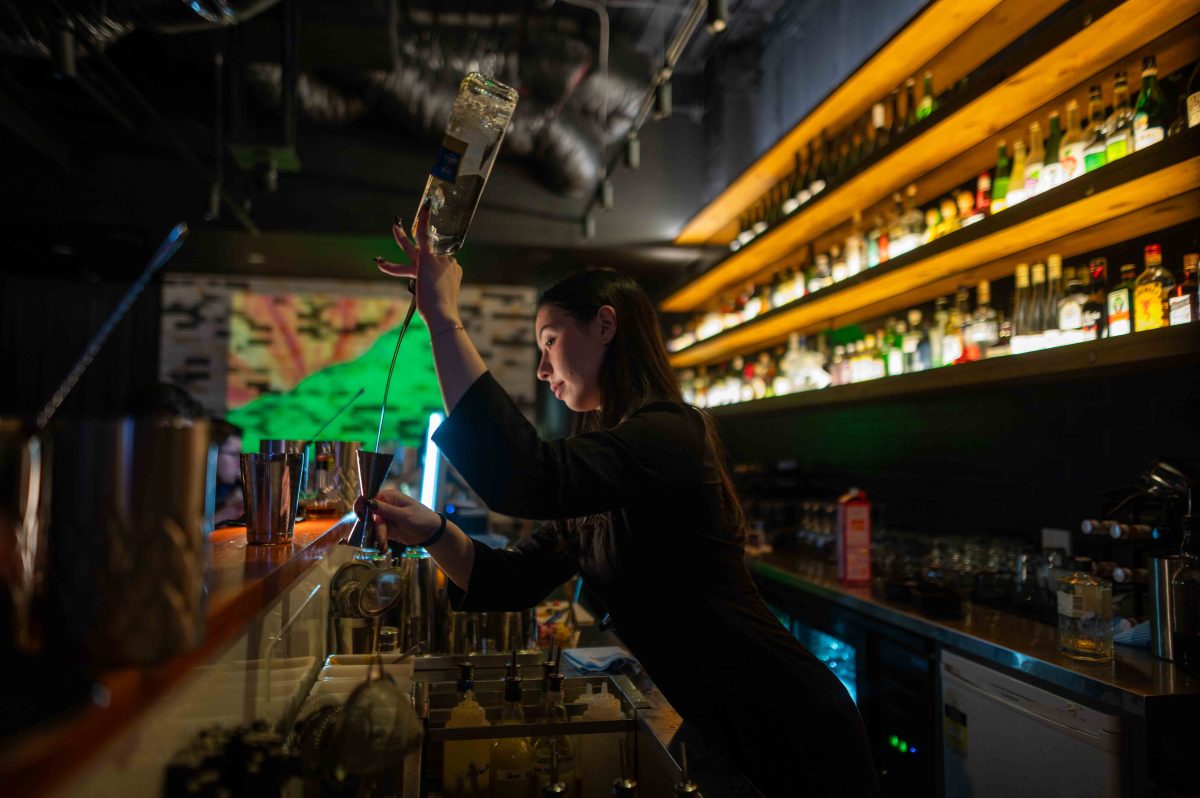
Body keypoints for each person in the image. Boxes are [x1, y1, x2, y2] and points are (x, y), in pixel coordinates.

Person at [364, 207, 880, 797]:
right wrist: (431, 531)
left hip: (790, 723)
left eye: (551, 342)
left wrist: (444, 320)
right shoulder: (615, 462)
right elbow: (509, 581)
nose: (542, 370)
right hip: (718, 725)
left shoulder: (669, 434)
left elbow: (524, 478)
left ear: (605, 326)